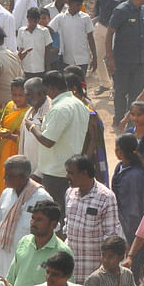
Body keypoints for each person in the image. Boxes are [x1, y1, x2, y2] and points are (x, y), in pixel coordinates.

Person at [24, 71, 89, 210]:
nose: (47, 95)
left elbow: (48, 141)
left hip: (56, 173)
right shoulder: (79, 104)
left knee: (54, 216)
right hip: (70, 169)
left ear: (52, 88)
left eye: (47, 91)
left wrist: (32, 127)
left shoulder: (59, 108)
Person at [62, 154, 122, 283]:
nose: (67, 176)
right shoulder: (70, 193)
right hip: (71, 272)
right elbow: (67, 227)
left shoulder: (105, 197)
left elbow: (111, 237)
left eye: (70, 173)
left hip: (94, 274)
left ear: (84, 173)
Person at [0, 155, 50, 278]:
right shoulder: (6, 194)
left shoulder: (41, 197)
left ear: (23, 178)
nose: (4, 178)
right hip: (3, 262)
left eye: (9, 175)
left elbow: (50, 233)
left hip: (28, 265)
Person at [105, 0, 144, 124]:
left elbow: (142, 32)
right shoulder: (122, 10)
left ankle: (132, 121)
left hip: (139, 59)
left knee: (136, 92)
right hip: (123, 60)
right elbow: (109, 34)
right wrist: (110, 58)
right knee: (121, 91)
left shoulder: (141, 9)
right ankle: (119, 119)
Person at [0, 78, 30, 222]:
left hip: (17, 157)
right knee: (0, 189)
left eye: (21, 95)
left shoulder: (29, 113)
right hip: (3, 155)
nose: (17, 98)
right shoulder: (9, 106)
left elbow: (27, 139)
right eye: (14, 94)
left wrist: (10, 136)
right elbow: (1, 122)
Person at [110, 134, 144, 254]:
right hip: (120, 221)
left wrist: (130, 238)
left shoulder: (136, 176)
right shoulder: (120, 167)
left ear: (119, 151)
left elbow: (135, 209)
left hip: (131, 227)